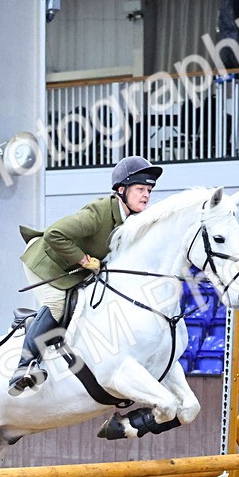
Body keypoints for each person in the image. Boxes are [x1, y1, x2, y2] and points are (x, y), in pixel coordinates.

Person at [8, 155, 163, 395]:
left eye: (149, 190)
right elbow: (55, 234)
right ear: (121, 190)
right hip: (46, 260)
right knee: (57, 303)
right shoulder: (99, 212)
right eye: (140, 189)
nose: (146, 195)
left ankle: (36, 324)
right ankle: (24, 366)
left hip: (74, 269)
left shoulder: (133, 220)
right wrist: (84, 260)